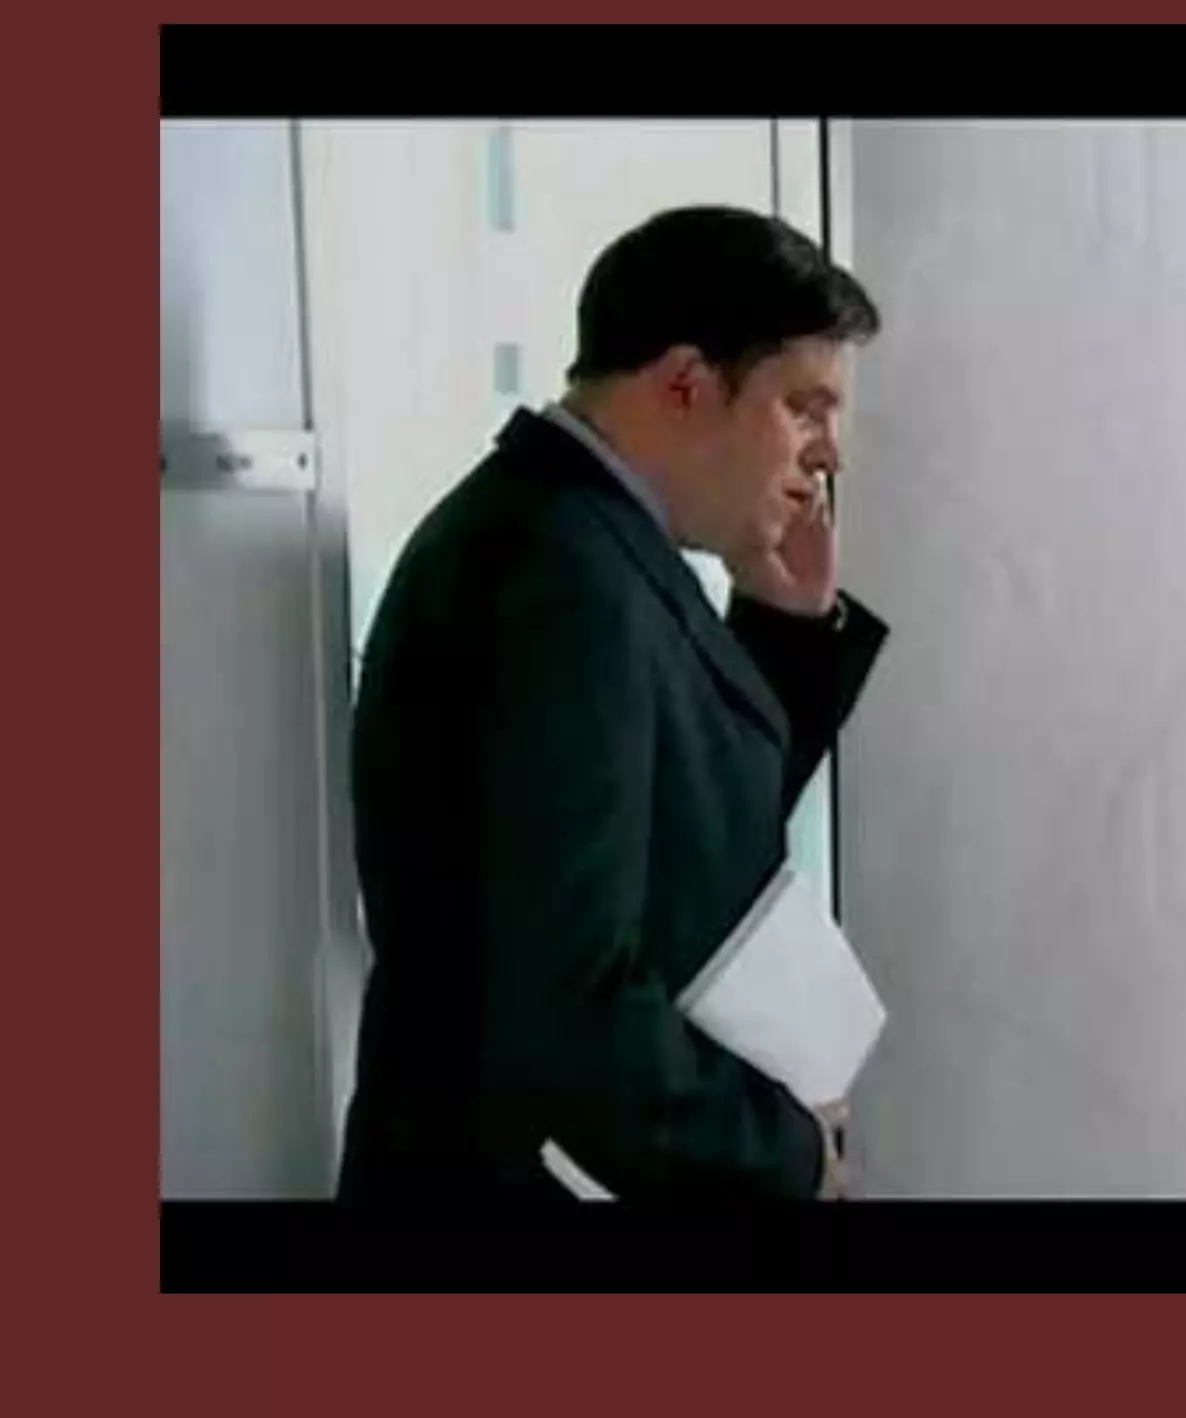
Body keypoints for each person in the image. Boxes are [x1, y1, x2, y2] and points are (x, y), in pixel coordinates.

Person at [337, 206, 887, 1203]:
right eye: (803, 408)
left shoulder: (578, 540)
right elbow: (569, 1005)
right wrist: (785, 1152)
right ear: (683, 384)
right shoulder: (562, 576)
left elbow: (685, 851)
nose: (828, 455)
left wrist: (784, 629)